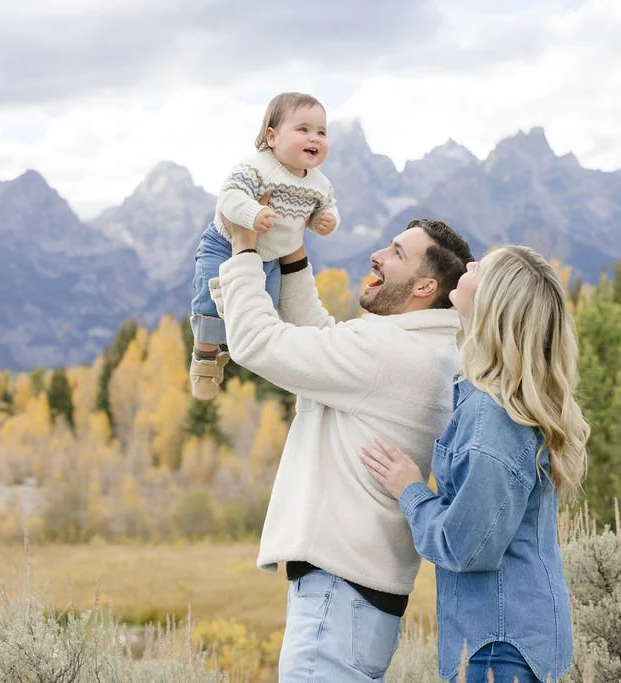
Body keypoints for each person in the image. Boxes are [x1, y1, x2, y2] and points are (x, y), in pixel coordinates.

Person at [209, 204, 474, 681]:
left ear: (424, 287)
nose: (376, 255)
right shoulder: (428, 350)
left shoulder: (385, 355)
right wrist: (292, 254)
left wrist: (244, 249)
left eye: (395, 253)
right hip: (362, 601)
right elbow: (324, 342)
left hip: (337, 598)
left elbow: (256, 343)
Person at [360, 245, 590, 683]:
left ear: (492, 302)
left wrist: (410, 489)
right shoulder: (491, 401)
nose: (467, 265)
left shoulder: (491, 416)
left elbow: (466, 547)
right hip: (512, 640)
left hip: (500, 649)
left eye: (478, 267)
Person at [189, 91, 339, 400]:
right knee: (209, 300)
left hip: (271, 256)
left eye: (321, 132)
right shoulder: (257, 167)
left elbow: (326, 206)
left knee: (264, 308)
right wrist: (252, 213)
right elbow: (230, 196)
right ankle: (205, 357)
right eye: (303, 129)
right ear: (271, 136)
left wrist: (325, 219)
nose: (314, 138)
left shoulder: (319, 183)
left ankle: (231, 342)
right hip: (224, 241)